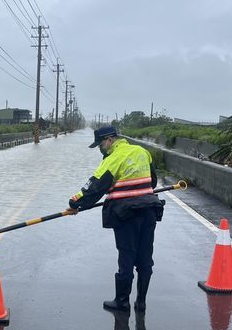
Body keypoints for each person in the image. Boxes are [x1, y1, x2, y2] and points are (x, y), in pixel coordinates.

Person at [67, 127, 164, 312]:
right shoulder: (142, 152)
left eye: (100, 144)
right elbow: (152, 181)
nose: (100, 149)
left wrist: (75, 202)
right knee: (145, 256)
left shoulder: (113, 159)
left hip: (127, 214)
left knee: (126, 255)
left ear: (110, 140)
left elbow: (95, 187)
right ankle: (141, 302)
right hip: (149, 209)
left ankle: (122, 301)